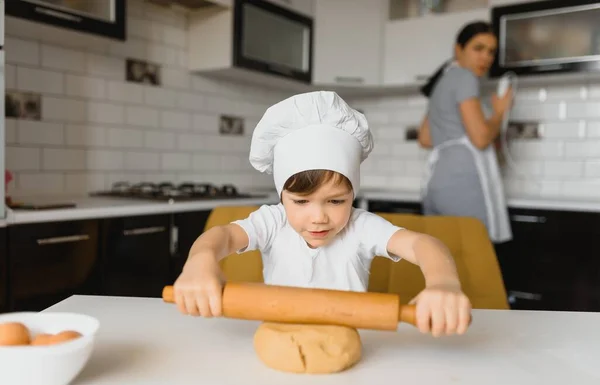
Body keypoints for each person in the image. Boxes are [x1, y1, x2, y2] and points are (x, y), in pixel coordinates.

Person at [173, 91, 472, 337]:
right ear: (282, 196)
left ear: (354, 194)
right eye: (301, 202)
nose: (318, 217)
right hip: (280, 337)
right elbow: (223, 236)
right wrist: (200, 262)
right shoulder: (273, 222)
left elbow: (423, 245)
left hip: (347, 340)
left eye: (336, 201)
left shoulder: (361, 227)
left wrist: (443, 283)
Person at [418, 21, 514, 244]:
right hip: (462, 185)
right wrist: (499, 112)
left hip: (436, 185)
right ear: (458, 49)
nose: (486, 58)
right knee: (473, 257)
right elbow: (480, 138)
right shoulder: (465, 77)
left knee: (444, 259)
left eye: (491, 51)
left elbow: (425, 138)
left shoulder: (442, 81)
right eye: (478, 48)